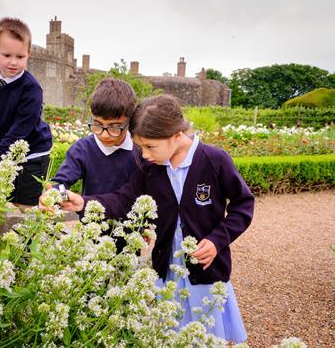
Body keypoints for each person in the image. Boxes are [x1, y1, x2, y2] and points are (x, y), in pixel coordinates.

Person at [45, 94, 255, 342]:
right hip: (166, 271)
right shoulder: (151, 168)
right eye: (140, 146)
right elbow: (124, 200)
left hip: (206, 273)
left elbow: (243, 205)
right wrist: (84, 202)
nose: (143, 155)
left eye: (149, 146)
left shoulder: (214, 160)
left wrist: (217, 240)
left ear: (177, 135)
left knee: (205, 336)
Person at [0, 17, 52, 210]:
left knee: (23, 206)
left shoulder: (31, 89)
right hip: (9, 150)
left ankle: (26, 236)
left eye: (20, 57)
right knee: (4, 201)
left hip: (33, 153)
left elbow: (21, 129)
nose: (13, 62)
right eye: (7, 55)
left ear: (28, 54)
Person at [51, 77, 139, 196]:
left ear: (130, 121)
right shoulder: (83, 149)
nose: (104, 135)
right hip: (91, 213)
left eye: (114, 127)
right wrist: (58, 196)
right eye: (97, 124)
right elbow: (60, 183)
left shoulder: (141, 150)